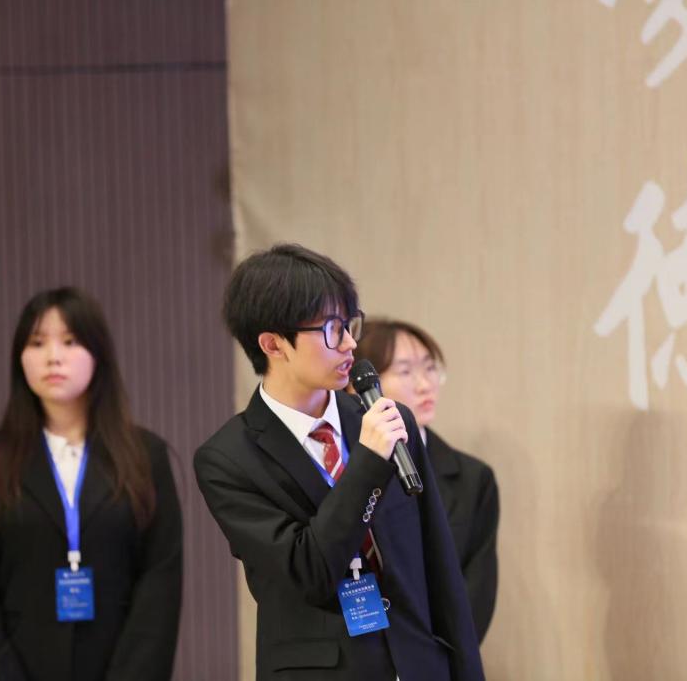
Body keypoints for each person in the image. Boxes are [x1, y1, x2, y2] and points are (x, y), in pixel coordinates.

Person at [194, 244, 484, 681]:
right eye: (331, 329)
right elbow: (309, 571)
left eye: (350, 324)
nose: (350, 343)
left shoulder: (387, 418)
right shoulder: (227, 459)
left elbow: (441, 570)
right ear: (273, 344)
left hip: (418, 663)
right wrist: (367, 463)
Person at [0, 287, 183, 681]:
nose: (53, 357)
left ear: (98, 353)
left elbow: (159, 586)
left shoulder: (146, 457)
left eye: (70, 341)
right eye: (37, 343)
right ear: (20, 357)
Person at [355, 319, 499, 642]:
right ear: (362, 387)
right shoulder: (339, 466)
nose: (425, 385)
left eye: (430, 368)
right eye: (405, 371)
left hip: (438, 652)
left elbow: (476, 592)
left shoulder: (473, 478)